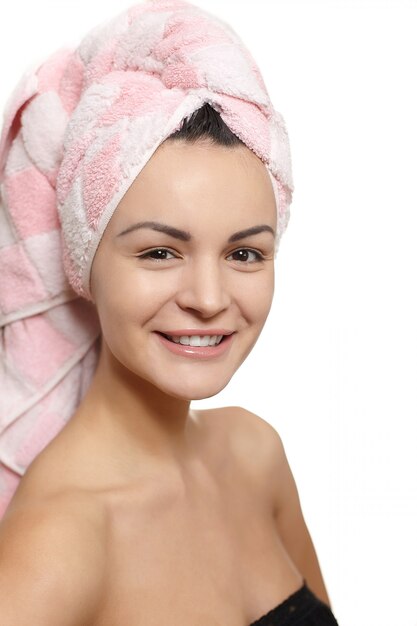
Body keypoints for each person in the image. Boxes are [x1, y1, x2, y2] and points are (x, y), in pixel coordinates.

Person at [0, 1, 339, 624]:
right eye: (160, 251)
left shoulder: (255, 454)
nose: (209, 299)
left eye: (245, 252)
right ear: (84, 261)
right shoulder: (54, 545)